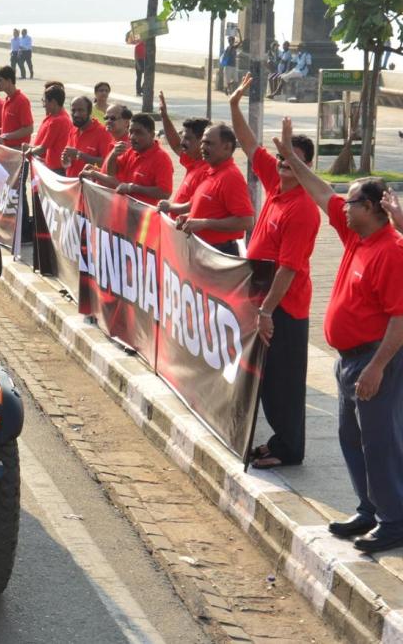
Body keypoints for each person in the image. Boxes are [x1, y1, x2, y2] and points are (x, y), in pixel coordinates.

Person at [274, 119, 403, 553]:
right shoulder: (355, 235)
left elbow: (399, 319)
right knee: (351, 438)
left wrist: (377, 367)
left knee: (379, 440)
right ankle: (368, 509)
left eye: (352, 203)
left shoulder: (391, 251)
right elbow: (321, 191)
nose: (343, 208)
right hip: (348, 358)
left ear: (372, 207)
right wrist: (293, 159)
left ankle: (393, 519)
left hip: (374, 359)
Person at [222, 74, 319, 469]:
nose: (282, 163)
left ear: (305, 166)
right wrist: (233, 106)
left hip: (285, 307)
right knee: (265, 378)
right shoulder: (276, 183)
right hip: (263, 300)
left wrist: (266, 312)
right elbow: (248, 145)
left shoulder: (304, 208)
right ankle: (277, 440)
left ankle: (288, 449)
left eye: (291, 160)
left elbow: (289, 268)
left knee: (284, 382)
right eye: (281, 158)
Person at [157, 123, 255, 255]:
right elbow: (203, 207)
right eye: (202, 142)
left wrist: (204, 223)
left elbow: (246, 222)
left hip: (218, 253)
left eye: (209, 143)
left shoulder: (231, 177)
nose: (203, 147)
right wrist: (188, 217)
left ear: (227, 147)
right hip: (202, 250)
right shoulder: (210, 172)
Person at [85, 113, 173, 206]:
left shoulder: (162, 158)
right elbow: (112, 173)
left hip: (144, 216)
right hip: (122, 212)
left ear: (151, 134)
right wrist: (113, 155)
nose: (133, 137)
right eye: (131, 132)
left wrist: (133, 188)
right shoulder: (131, 151)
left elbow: (165, 193)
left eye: (139, 132)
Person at [157, 91, 210, 207]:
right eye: (183, 138)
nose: (182, 142)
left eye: (187, 138)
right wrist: (164, 116)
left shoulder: (208, 171)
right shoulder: (193, 160)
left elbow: (197, 205)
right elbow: (176, 145)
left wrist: (171, 208)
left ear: (202, 139)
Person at [22, 85, 71, 173]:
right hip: (55, 166)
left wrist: (29, 151)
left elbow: (43, 148)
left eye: (45, 101)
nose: (44, 105)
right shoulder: (58, 116)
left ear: (53, 102)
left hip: (55, 168)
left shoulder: (57, 121)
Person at [61, 95, 113, 177]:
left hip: (90, 187)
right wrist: (65, 160)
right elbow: (69, 160)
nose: (76, 114)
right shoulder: (73, 129)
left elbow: (107, 164)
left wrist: (80, 155)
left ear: (89, 112)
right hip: (72, 184)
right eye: (73, 110)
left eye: (81, 110)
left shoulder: (103, 133)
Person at [0, 65, 33, 149]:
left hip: (18, 150)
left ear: (9, 81)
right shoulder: (7, 100)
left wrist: (4, 136)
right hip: (8, 149)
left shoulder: (22, 101)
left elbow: (28, 129)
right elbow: (12, 127)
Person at [126, 31, 146, 95]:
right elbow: (136, 57)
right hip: (139, 62)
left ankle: (142, 89)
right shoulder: (137, 46)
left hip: (144, 61)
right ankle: (138, 91)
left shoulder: (146, 46)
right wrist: (138, 65)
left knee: (147, 76)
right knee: (139, 78)